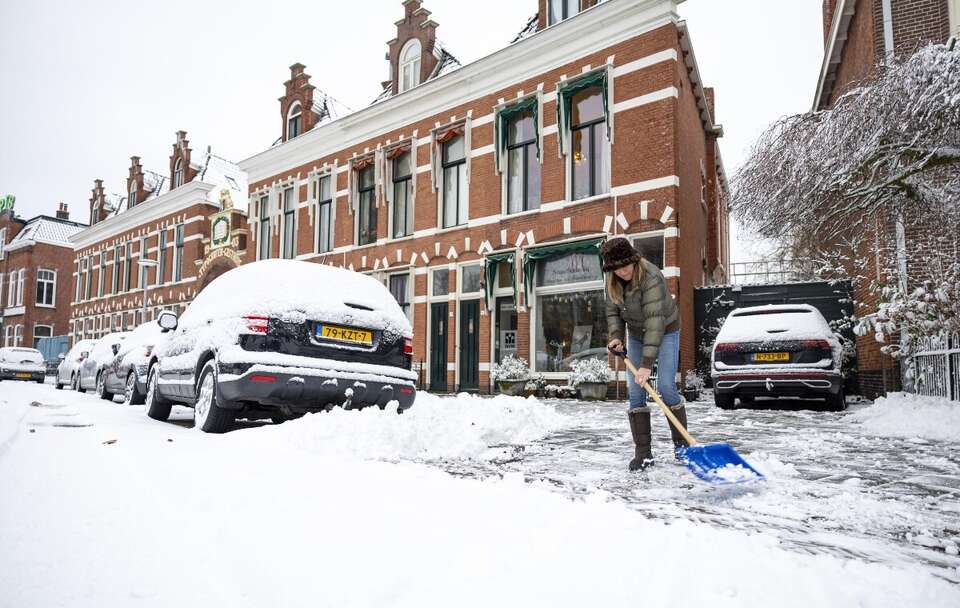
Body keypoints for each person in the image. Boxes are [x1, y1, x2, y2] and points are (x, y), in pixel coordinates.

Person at [600, 236, 687, 471]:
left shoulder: (651, 276)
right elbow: (613, 312)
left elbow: (655, 321)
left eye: (626, 265)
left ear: (633, 260)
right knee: (636, 391)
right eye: (617, 268)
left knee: (666, 386)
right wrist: (616, 336)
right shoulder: (612, 281)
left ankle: (683, 447)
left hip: (665, 329)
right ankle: (643, 454)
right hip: (637, 333)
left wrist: (646, 364)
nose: (623, 271)